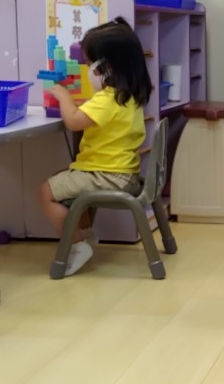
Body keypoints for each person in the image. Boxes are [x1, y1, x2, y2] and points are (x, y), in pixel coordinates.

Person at [38, 17, 151, 277]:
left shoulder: (108, 99)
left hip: (107, 176)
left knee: (45, 192)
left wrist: (64, 96)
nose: (87, 70)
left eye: (89, 65)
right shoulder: (128, 96)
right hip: (125, 174)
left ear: (106, 67)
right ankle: (86, 236)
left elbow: (73, 121)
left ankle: (77, 244)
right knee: (65, 177)